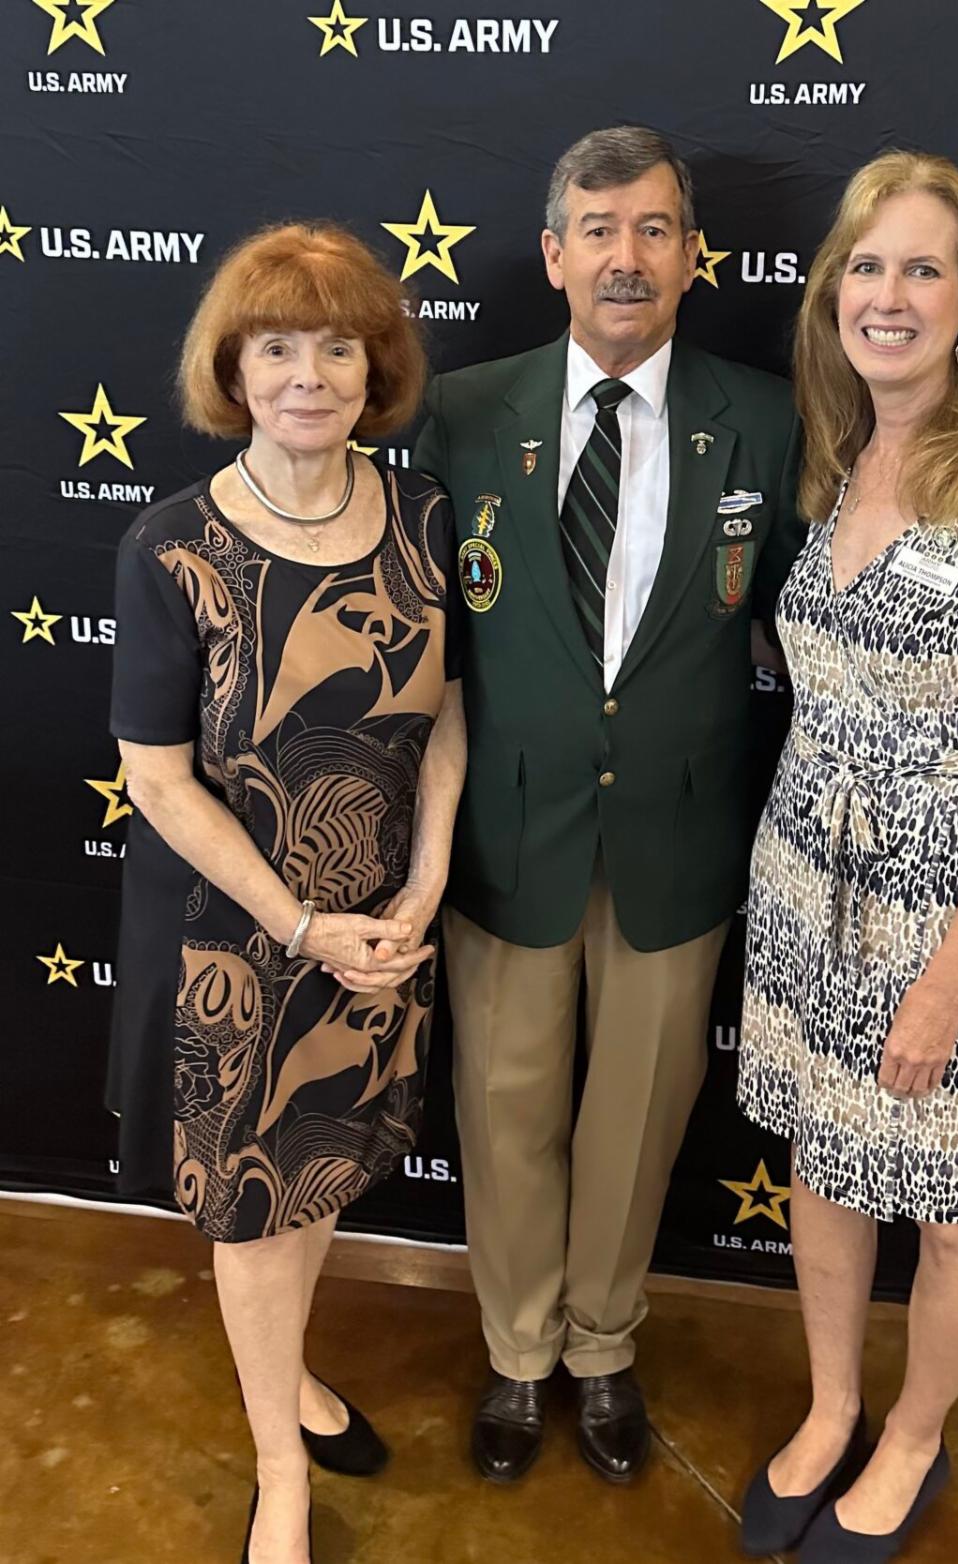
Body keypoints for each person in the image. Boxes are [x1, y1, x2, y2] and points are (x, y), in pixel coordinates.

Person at [413, 125, 804, 1484]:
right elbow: (422, 634)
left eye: (652, 229)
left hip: (677, 835)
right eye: (598, 229)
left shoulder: (767, 417)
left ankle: (602, 1345)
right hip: (508, 831)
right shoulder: (465, 411)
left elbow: (808, 620)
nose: (625, 257)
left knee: (638, 1117)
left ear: (693, 256)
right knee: (505, 1104)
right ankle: (519, 1356)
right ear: (552, 255)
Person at [737, 151, 958, 1562]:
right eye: (866, 266)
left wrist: (950, 977)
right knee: (823, 1164)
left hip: (948, 910)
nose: (888, 295)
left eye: (923, 268)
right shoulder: (834, 461)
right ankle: (833, 1404)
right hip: (801, 883)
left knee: (952, 1209)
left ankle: (914, 1437)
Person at [107, 223, 466, 1564]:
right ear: (232, 370)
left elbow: (450, 709)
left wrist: (424, 883)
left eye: (337, 347)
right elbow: (157, 779)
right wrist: (301, 925)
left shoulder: (425, 517)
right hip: (238, 945)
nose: (308, 376)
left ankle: (292, 1375)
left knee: (318, 1176)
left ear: (377, 370)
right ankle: (280, 1471)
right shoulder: (172, 546)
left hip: (381, 935)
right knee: (254, 1210)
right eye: (276, 348)